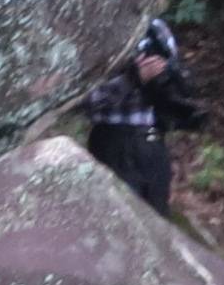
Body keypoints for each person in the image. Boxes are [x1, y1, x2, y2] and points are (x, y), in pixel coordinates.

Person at [82, 15, 202, 215]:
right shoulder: (96, 29)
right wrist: (133, 78)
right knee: (116, 219)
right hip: (112, 142)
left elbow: (179, 86)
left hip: (152, 140)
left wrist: (168, 79)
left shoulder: (156, 28)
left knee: (157, 224)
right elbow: (86, 102)